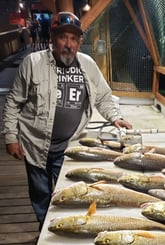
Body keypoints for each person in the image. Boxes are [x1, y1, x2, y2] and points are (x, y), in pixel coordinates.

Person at [2, 12, 132, 230]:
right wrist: (10, 137)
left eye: (74, 39)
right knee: (41, 195)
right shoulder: (32, 63)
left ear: (80, 42)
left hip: (71, 147)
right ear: (52, 38)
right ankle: (47, 229)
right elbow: (13, 102)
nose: (69, 44)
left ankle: (67, 227)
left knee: (73, 194)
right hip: (35, 145)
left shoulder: (88, 65)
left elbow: (103, 97)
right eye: (63, 37)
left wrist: (115, 117)